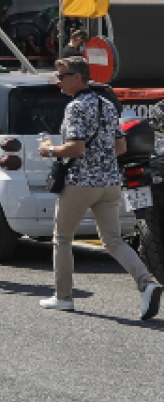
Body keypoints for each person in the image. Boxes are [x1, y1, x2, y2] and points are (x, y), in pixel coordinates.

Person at [36, 57, 163, 317]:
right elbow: (121, 147)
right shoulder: (106, 104)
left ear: (77, 78)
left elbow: (76, 147)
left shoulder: (75, 107)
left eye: (62, 76)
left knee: (62, 238)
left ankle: (63, 297)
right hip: (110, 182)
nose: (58, 82)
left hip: (80, 183)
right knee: (113, 240)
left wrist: (49, 150)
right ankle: (146, 283)